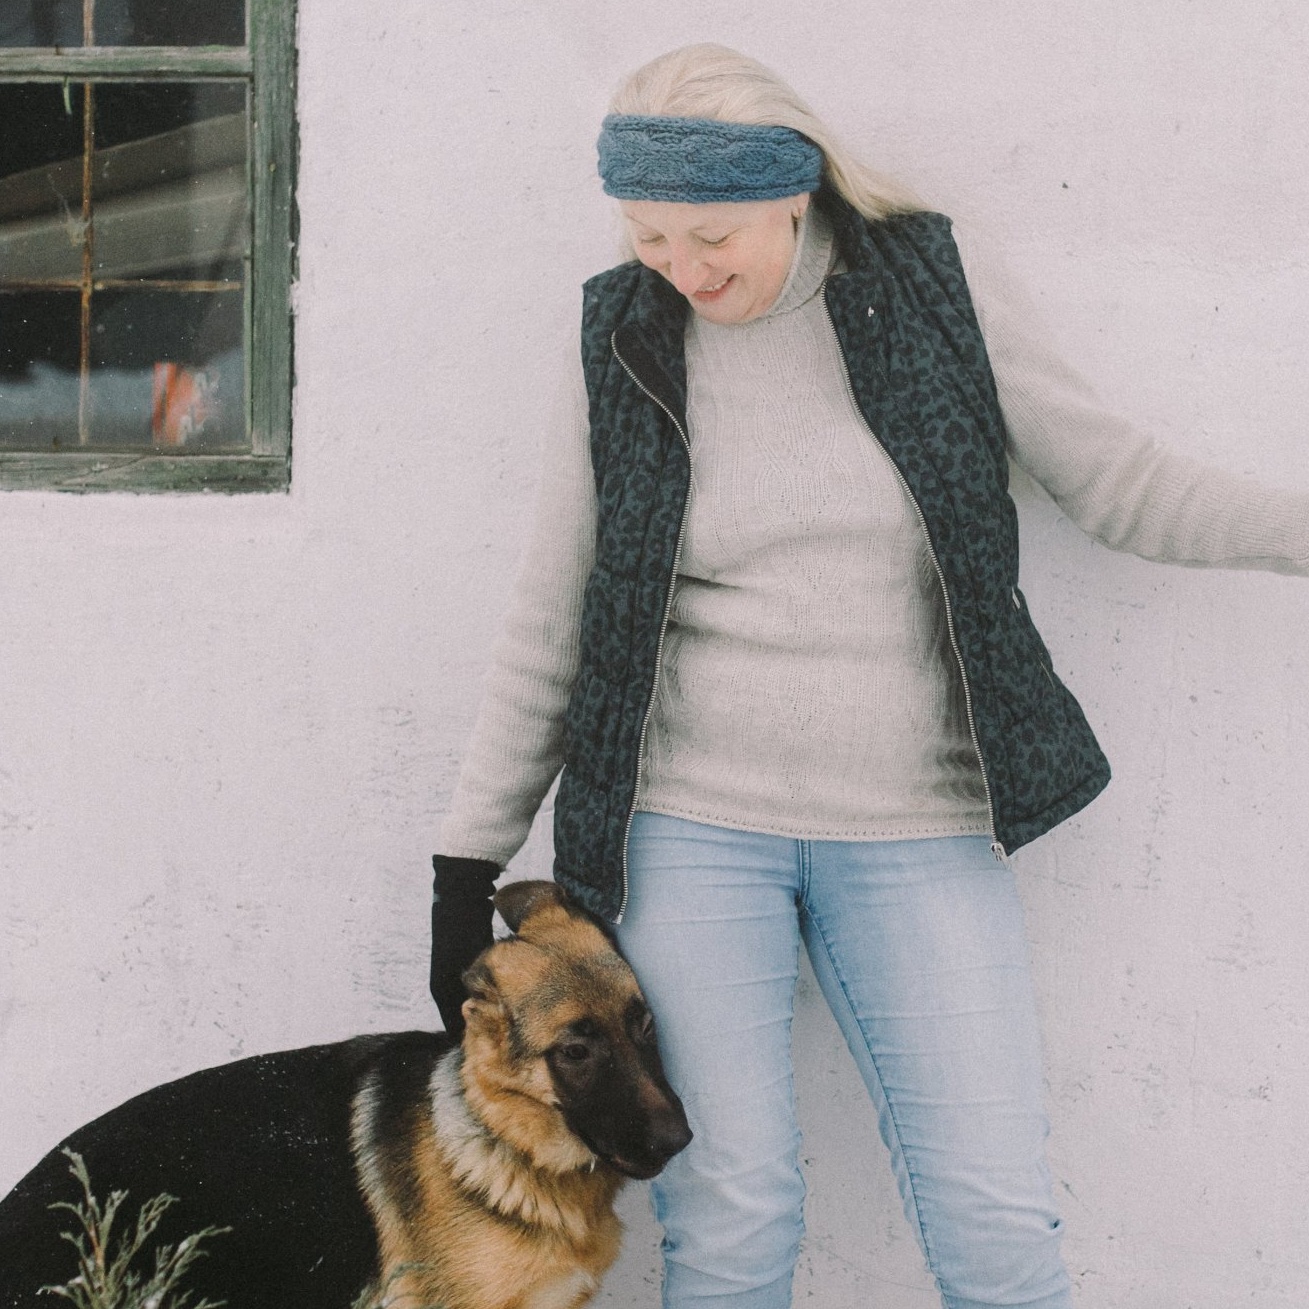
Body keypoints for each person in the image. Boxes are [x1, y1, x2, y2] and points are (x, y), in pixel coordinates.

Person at [428, 43, 1309, 1309]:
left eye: (710, 236)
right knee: (733, 1211)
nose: (681, 269)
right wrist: (468, 858)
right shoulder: (624, 333)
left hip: (919, 823)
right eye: (650, 237)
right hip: (690, 830)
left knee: (993, 1217)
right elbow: (552, 614)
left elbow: (1122, 486)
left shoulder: (927, 288)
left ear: (793, 190)